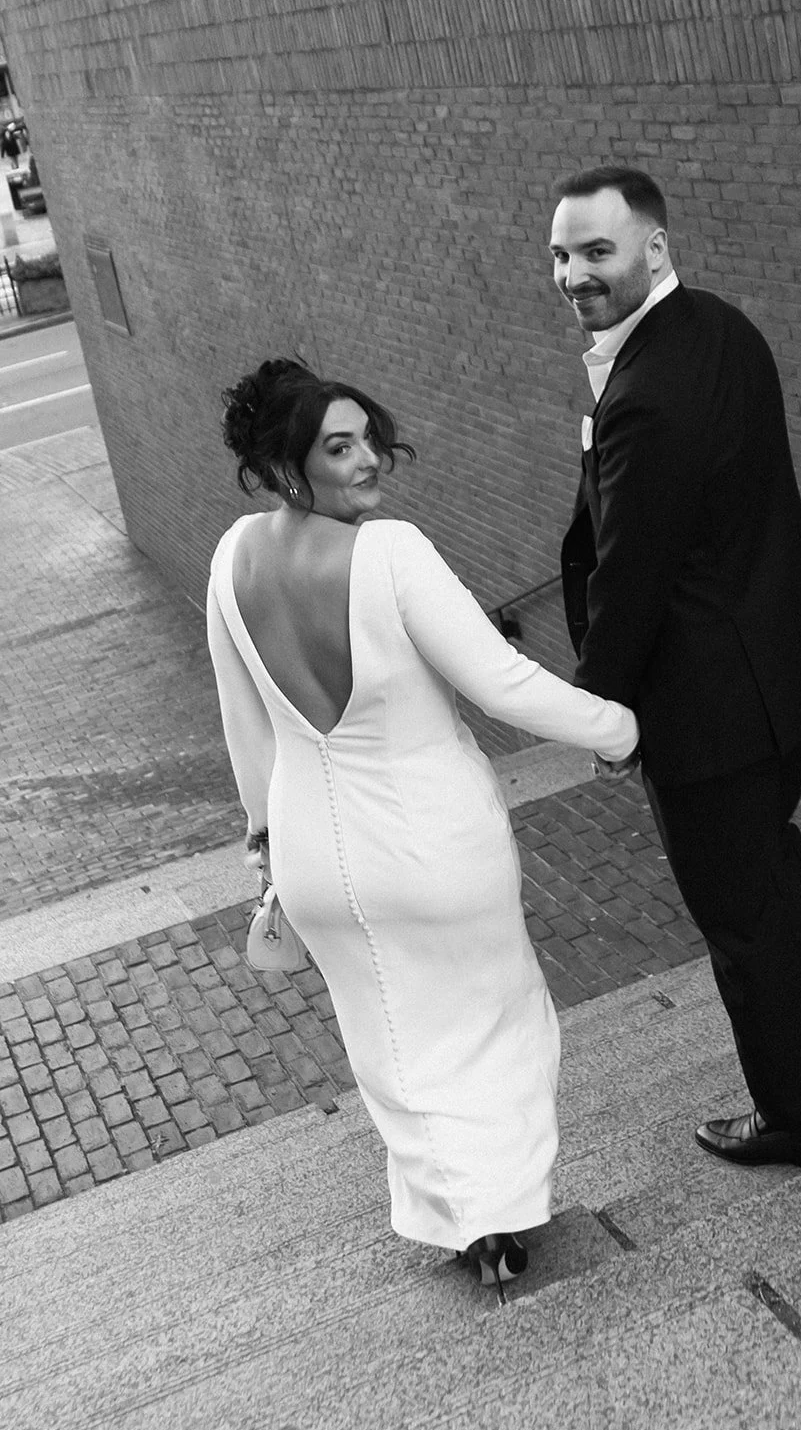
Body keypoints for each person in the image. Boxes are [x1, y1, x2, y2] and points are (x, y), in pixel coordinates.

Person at [206, 359, 638, 1300]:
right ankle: (495, 1214)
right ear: (288, 465)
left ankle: (459, 1219)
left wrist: (260, 842)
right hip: (432, 844)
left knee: (391, 1043)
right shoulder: (390, 553)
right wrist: (619, 728)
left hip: (320, 860)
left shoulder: (231, 558)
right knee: (495, 1021)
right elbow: (502, 683)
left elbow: (245, 724)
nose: (370, 462)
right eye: (339, 447)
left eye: (368, 439)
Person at [550, 165, 801, 1170]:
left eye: (597, 251)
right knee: (771, 865)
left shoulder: (645, 397)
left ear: (652, 248)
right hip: (780, 669)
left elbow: (630, 575)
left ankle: (796, 1116)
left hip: (706, 707)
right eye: (561, 254)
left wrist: (597, 709)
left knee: (737, 917)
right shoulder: (722, 329)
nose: (574, 272)